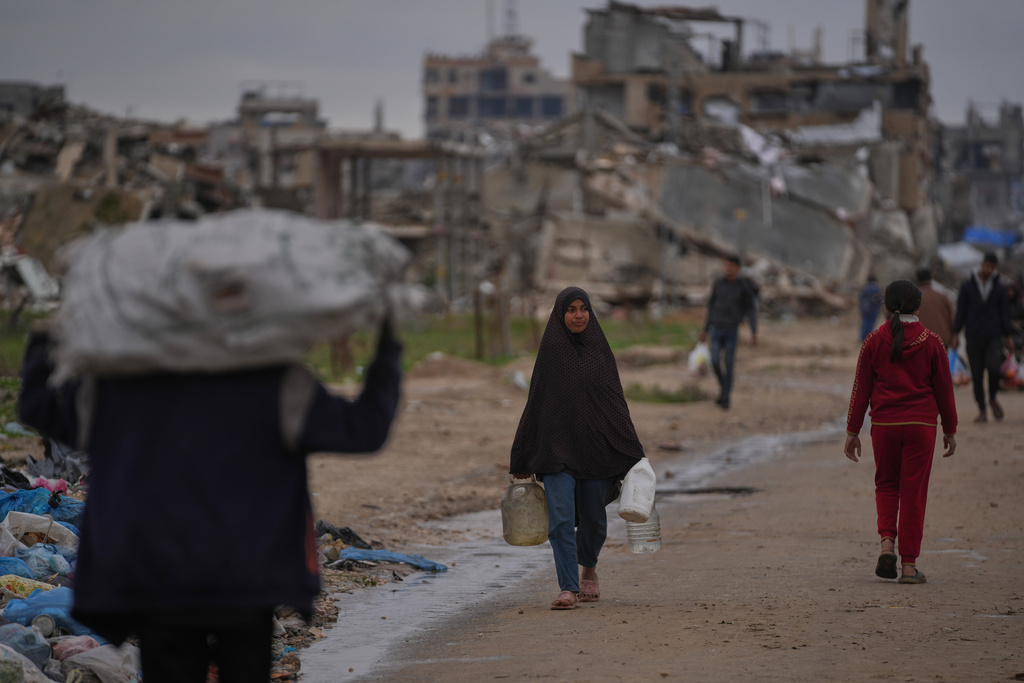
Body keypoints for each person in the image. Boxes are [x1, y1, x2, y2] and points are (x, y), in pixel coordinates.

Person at [18, 318, 403, 682]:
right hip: (248, 581)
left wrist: (45, 337)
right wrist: (387, 347)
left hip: (158, 582)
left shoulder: (121, 386)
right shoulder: (277, 384)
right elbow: (365, 429)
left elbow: (38, 407)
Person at [509, 286, 645, 610]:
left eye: (584, 308)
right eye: (571, 309)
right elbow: (536, 405)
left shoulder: (600, 353)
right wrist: (521, 456)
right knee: (560, 518)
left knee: (594, 519)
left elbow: (615, 404)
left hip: (595, 451)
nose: (579, 315)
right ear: (561, 314)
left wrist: (632, 453)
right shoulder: (550, 354)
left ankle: (590, 568)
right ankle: (568, 588)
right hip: (557, 452)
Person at [844, 279, 958, 584]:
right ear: (917, 306)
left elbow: (861, 389)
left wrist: (852, 430)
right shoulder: (932, 341)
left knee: (886, 485)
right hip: (921, 427)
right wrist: (950, 429)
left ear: (887, 306)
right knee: (913, 493)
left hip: (884, 426)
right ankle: (908, 567)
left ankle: (887, 544)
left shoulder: (872, 341)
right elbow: (945, 391)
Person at [952, 251, 1015, 422]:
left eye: (992, 267)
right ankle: (982, 409)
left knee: (994, 367)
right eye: (987, 265)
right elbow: (961, 311)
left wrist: (1008, 335)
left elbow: (1004, 313)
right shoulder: (967, 286)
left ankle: (992, 397)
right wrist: (956, 333)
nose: (989, 269)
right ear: (982, 265)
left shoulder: (999, 287)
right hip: (973, 334)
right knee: (977, 374)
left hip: (994, 335)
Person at [698, 255, 758, 410]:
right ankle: (724, 389)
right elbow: (711, 307)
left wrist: (754, 331)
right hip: (716, 329)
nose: (728, 269)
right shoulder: (719, 284)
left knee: (729, 363)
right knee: (715, 361)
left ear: (737, 268)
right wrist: (704, 329)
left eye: (731, 266)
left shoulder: (743, 286)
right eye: (726, 266)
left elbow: (750, 309)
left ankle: (725, 397)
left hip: (732, 329)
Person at [915, 267, 956, 348]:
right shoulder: (943, 296)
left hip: (920, 341)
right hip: (941, 341)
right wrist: (954, 337)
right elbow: (952, 319)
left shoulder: (914, 297)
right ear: (931, 278)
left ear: (917, 280)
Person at [858, 275, 882, 343]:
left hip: (864, 309)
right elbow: (878, 300)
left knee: (864, 323)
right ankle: (867, 338)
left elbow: (860, 299)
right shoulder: (876, 289)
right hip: (873, 309)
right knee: (871, 324)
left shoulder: (864, 288)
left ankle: (862, 337)